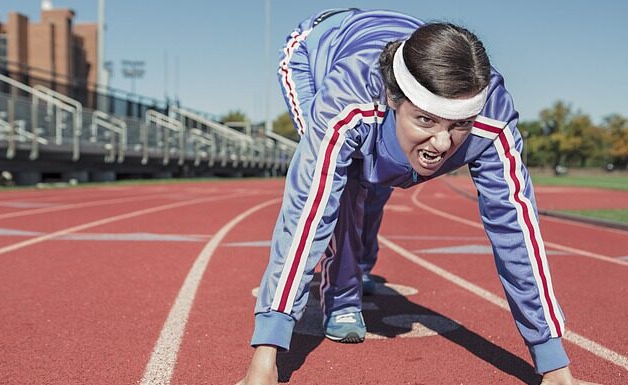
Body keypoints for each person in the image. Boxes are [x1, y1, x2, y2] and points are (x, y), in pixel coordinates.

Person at [239, 8, 581, 385]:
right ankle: (342, 296)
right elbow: (308, 211)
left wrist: (553, 363)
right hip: (317, 51)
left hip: (394, 54)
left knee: (381, 179)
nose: (441, 143)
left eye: (459, 125)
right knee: (347, 180)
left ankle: (361, 262)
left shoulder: (493, 120)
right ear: (393, 99)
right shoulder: (348, 100)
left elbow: (516, 232)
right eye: (426, 120)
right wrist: (266, 354)